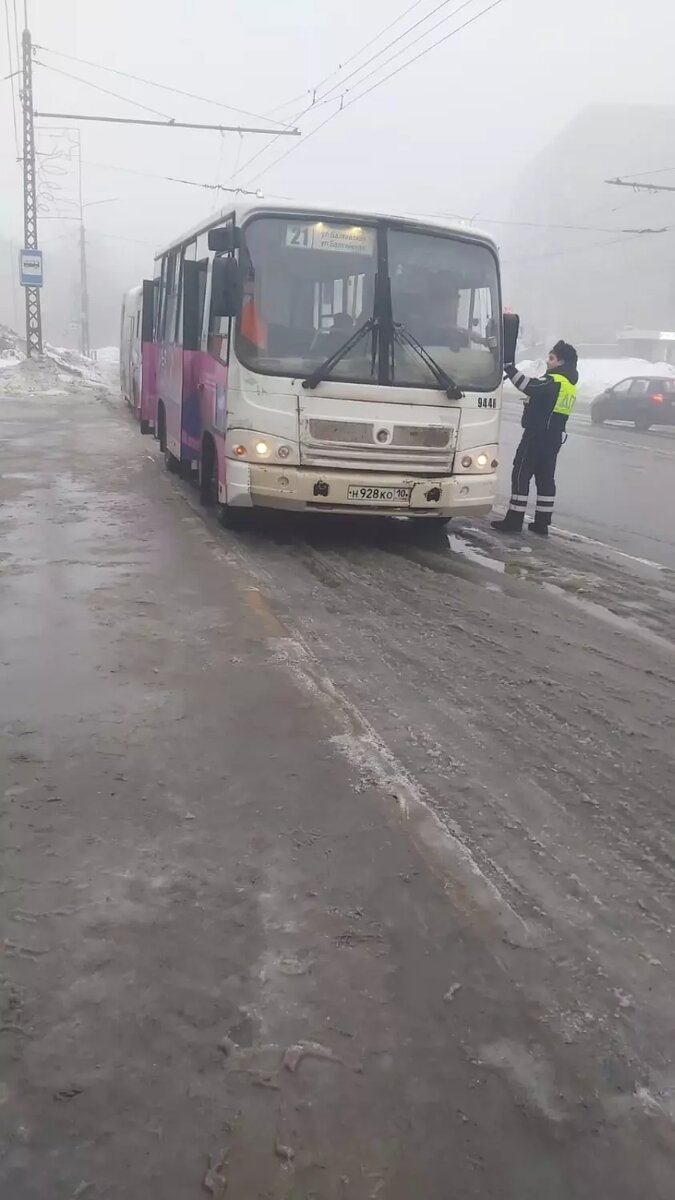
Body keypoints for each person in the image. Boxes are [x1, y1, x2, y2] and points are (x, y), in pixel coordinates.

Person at [492, 339, 578, 536]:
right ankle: (541, 523)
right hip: (554, 439)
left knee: (521, 474)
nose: (548, 362)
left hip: (536, 437)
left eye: (552, 358)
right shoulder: (570, 386)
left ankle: (514, 520)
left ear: (561, 363)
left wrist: (509, 369)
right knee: (546, 479)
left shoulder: (553, 381)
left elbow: (528, 386)